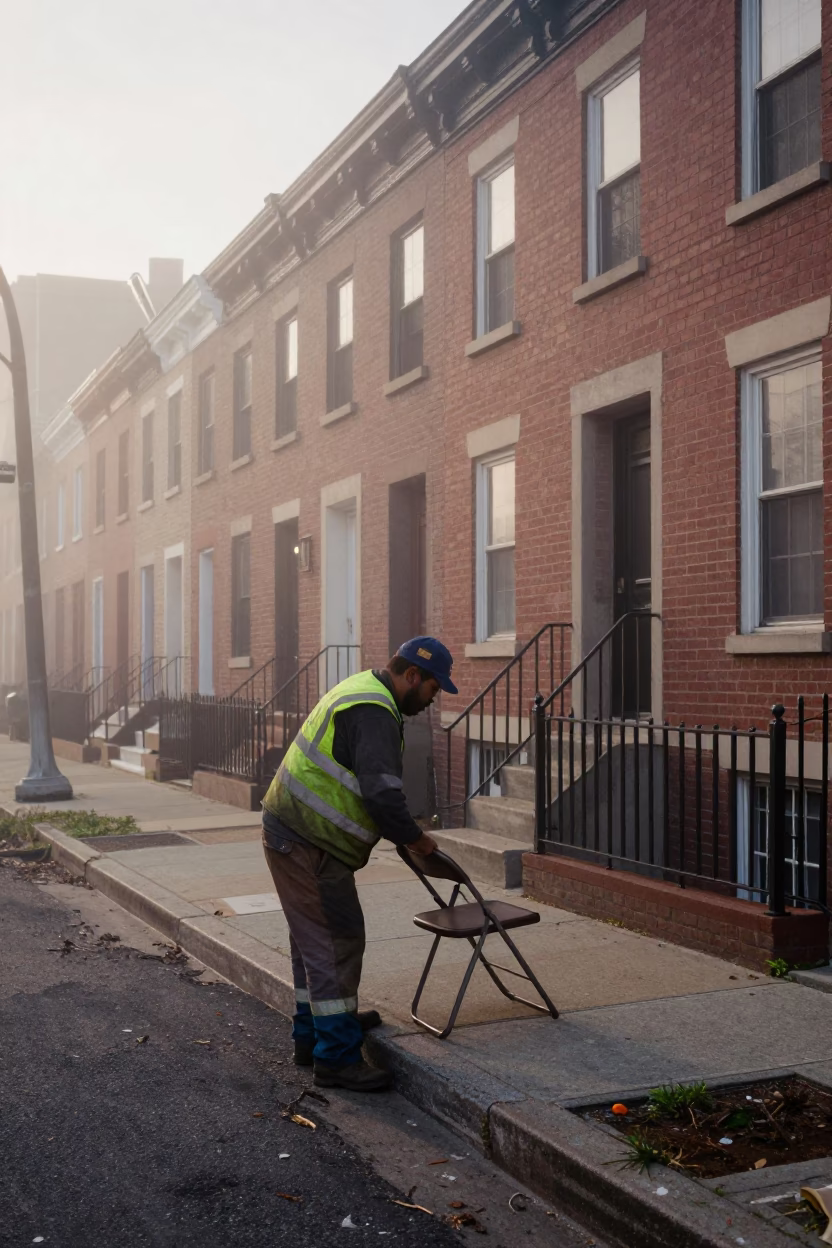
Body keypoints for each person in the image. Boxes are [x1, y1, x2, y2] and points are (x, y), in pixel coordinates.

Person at [261, 636, 457, 1092]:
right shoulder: (374, 712)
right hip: (306, 841)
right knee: (336, 940)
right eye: (433, 688)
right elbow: (383, 795)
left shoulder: (362, 689)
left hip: (294, 833)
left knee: (312, 943)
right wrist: (419, 840)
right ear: (413, 675)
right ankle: (337, 1057)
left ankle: (317, 1034)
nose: (432, 700)